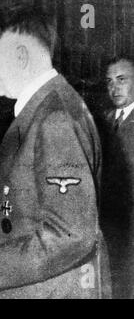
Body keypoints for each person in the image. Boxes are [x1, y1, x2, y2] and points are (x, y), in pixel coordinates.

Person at [0, 5, 111, 298]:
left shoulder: (56, 119)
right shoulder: (41, 110)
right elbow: (17, 201)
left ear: (20, 56)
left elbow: (73, 233)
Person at [101, 56, 134, 298]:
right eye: (110, 82)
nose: (114, 88)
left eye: (122, 80)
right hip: (107, 224)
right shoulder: (103, 120)